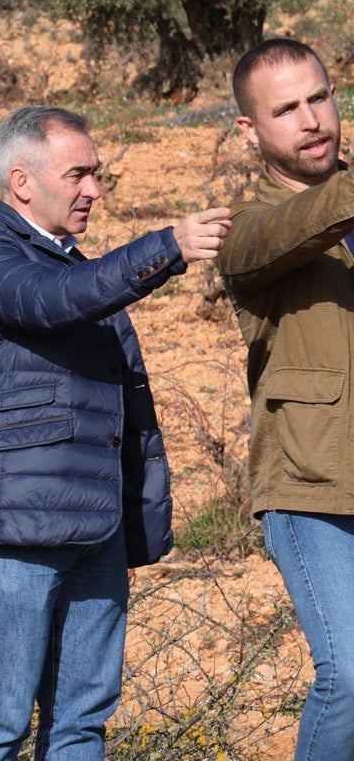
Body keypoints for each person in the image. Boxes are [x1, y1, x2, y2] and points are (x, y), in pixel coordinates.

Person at [0, 105, 230, 760]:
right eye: (78, 174)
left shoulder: (75, 269)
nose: (93, 189)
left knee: (80, 727)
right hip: (11, 532)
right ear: (22, 183)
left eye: (95, 175)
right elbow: (49, 301)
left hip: (93, 534)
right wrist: (167, 248)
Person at [215, 38, 354, 761]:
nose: (312, 119)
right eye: (287, 108)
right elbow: (281, 237)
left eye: (320, 98)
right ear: (250, 130)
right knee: (352, 676)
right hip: (312, 487)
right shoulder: (248, 231)